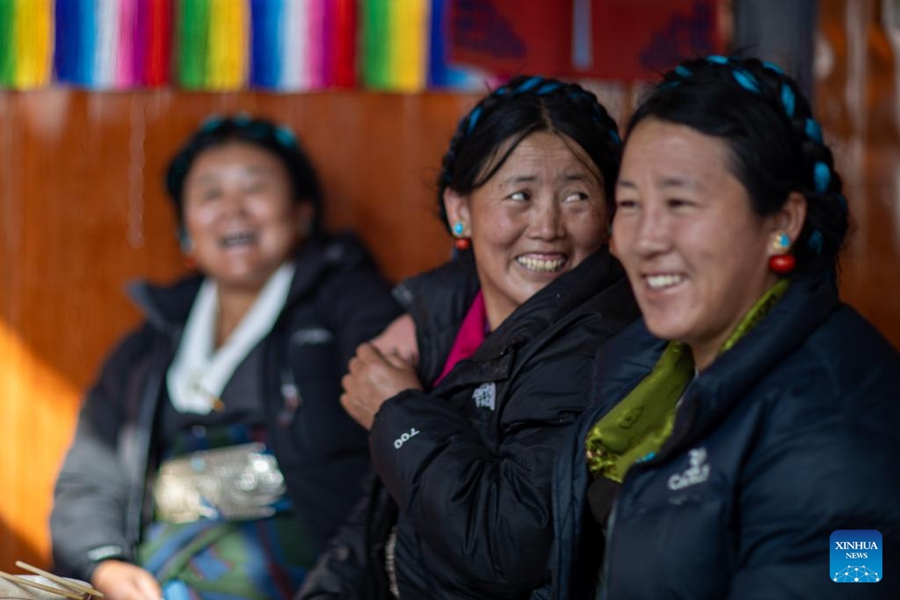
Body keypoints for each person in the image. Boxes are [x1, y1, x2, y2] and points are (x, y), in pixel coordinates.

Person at [550, 56, 900, 599]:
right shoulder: (650, 365)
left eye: (681, 203)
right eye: (629, 204)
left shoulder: (836, 422)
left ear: (782, 223)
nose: (645, 239)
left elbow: (853, 575)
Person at [296, 75, 640, 600]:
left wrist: (397, 411)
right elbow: (386, 511)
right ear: (461, 212)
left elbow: (508, 546)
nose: (547, 226)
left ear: (610, 211)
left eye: (577, 195)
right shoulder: (439, 320)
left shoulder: (601, 343)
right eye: (520, 195)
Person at [50, 115, 401, 600]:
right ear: (186, 235)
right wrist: (105, 564)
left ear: (302, 213)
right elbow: (91, 475)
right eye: (210, 194)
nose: (233, 210)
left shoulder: (354, 309)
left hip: (316, 577)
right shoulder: (146, 346)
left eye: (254, 188)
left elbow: (402, 442)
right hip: (162, 577)